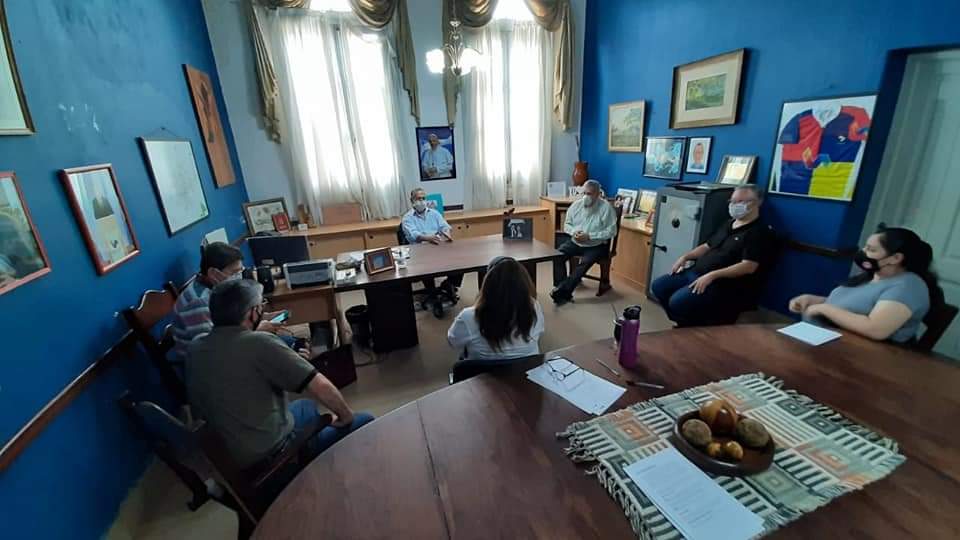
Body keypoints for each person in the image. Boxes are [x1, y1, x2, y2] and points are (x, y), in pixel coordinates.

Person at [186, 279, 374, 481]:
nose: (263, 309)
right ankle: (317, 473)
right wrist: (346, 416)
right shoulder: (259, 343)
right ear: (252, 313)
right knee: (365, 420)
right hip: (272, 460)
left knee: (305, 406)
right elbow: (320, 386)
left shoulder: (195, 346)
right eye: (261, 305)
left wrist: (289, 364)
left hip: (228, 456)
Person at [650, 185, 777, 326]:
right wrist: (685, 257)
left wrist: (712, 275)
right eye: (732, 201)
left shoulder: (759, 233)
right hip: (696, 272)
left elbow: (748, 266)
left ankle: (694, 324)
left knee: (677, 301)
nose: (734, 205)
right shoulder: (729, 224)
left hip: (720, 282)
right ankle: (686, 323)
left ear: (757, 202)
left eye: (741, 201)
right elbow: (707, 246)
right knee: (659, 286)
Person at [789, 225, 936, 343]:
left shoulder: (908, 286)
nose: (864, 252)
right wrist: (815, 300)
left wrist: (823, 308)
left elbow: (876, 329)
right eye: (865, 247)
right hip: (822, 339)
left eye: (871, 250)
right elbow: (855, 307)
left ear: (895, 258)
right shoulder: (873, 275)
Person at [172, 242, 287, 360]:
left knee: (285, 344)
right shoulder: (198, 303)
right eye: (234, 273)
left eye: (240, 272)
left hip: (228, 349)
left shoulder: (218, 290)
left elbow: (230, 324)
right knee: (280, 353)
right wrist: (257, 330)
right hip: (209, 364)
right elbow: (212, 350)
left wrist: (260, 318)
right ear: (213, 273)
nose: (239, 277)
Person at [448, 256, 545, 360]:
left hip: (482, 370)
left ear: (487, 283)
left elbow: (453, 342)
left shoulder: (468, 316)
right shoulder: (534, 306)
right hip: (527, 367)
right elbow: (539, 333)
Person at [551, 180, 617, 305]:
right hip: (576, 241)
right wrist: (574, 232)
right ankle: (560, 286)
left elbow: (611, 231)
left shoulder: (606, 208)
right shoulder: (576, 205)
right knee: (557, 255)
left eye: (590, 194)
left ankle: (563, 292)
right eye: (584, 193)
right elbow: (567, 224)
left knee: (584, 263)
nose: (586, 196)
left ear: (598, 194)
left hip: (596, 245)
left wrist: (590, 236)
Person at [401, 188, 462, 297]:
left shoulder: (434, 213)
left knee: (460, 262)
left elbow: (445, 226)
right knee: (427, 268)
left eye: (423, 198)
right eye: (418, 199)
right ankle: (431, 291)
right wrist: (428, 238)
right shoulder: (407, 218)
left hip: (437, 247)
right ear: (412, 200)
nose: (421, 201)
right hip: (419, 252)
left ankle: (448, 284)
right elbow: (413, 235)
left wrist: (447, 233)